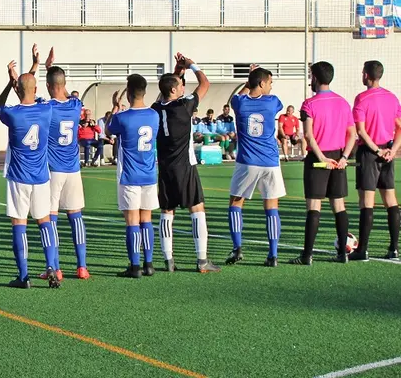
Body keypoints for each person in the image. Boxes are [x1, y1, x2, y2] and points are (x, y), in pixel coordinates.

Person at [0, 58, 60, 289]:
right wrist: (35, 68)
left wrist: (8, 84)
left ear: (16, 90)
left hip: (18, 176)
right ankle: (51, 265)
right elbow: (32, 90)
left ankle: (23, 276)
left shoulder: (13, 114)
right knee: (44, 222)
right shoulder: (46, 110)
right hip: (41, 177)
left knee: (19, 224)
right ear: (37, 89)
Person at [151, 53, 220, 273]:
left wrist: (178, 70)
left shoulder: (156, 107)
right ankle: (202, 260)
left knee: (167, 211)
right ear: (174, 90)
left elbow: (169, 87)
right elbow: (205, 83)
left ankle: (168, 261)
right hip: (185, 165)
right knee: (197, 208)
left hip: (165, 168)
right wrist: (191, 65)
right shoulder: (184, 106)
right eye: (181, 85)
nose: (183, 88)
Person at [32, 46, 89, 281]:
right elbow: (58, 84)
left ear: (47, 86)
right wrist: (50, 68)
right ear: (65, 83)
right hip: (73, 169)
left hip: (53, 170)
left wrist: (38, 65)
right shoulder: (76, 105)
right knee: (76, 216)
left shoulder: (46, 107)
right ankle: (82, 267)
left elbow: (25, 93)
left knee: (51, 217)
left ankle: (55, 268)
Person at [291, 62, 356, 265]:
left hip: (317, 159)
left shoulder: (308, 104)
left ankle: (307, 255)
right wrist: (343, 158)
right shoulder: (343, 102)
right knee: (338, 205)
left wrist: (321, 158)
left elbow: (309, 136)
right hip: (337, 158)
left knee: (313, 206)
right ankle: (342, 255)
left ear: (316, 79)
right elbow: (352, 135)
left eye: (311, 76)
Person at [226, 66, 285, 267]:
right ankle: (273, 254)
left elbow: (238, 97)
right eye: (269, 82)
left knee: (236, 203)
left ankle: (237, 248)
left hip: (247, 161)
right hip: (270, 162)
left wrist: (248, 81)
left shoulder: (239, 103)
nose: (271, 86)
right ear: (261, 83)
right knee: (271, 207)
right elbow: (274, 103)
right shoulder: (272, 102)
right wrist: (253, 79)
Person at [107, 75, 160, 278]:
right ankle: (149, 263)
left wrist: (115, 108)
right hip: (149, 174)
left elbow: (108, 130)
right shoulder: (154, 115)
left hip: (129, 175)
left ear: (128, 93)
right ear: (144, 92)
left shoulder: (123, 117)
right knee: (146, 219)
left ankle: (135, 265)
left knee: (131, 221)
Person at [351, 60, 401, 261]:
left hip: (370, 153)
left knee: (367, 202)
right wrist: (392, 150)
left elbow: (361, 130)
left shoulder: (362, 98)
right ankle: (394, 248)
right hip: (388, 152)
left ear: (366, 75)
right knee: (391, 199)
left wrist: (377, 150)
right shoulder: (392, 98)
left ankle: (362, 250)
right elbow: (399, 127)